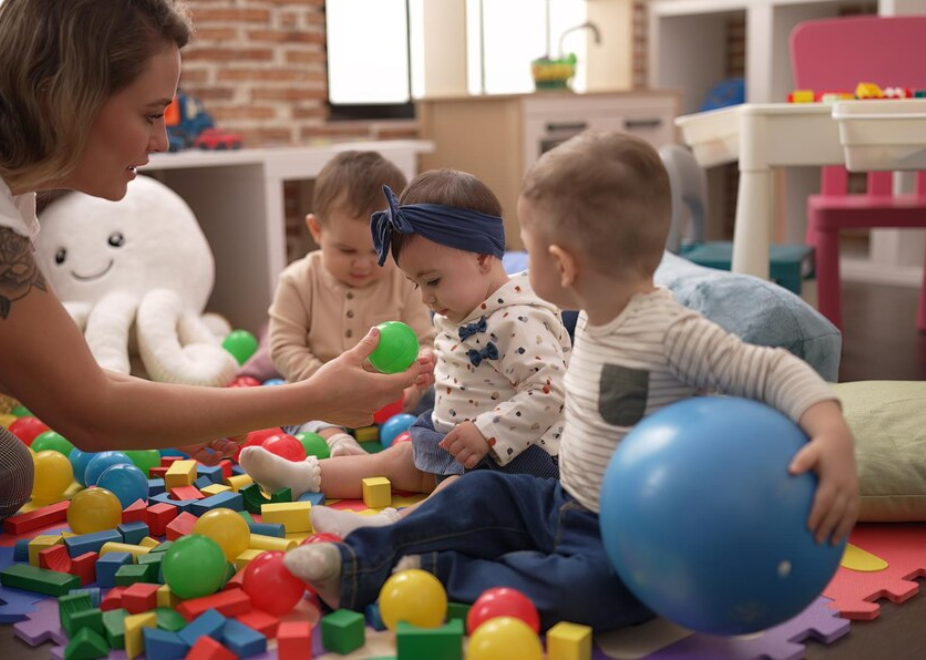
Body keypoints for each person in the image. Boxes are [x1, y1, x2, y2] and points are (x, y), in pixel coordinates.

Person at [0, 0, 429, 625]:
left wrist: (194, 416)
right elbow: (87, 412)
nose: (163, 138)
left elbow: (5, 364)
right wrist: (304, 397)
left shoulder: (6, 181)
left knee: (3, 476)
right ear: (65, 95)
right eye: (151, 114)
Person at [279, 132, 860, 632]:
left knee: (598, 594)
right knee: (475, 493)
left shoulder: (669, 330)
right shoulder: (589, 316)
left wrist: (830, 430)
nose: (513, 264)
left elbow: (771, 367)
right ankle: (359, 557)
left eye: (525, 250)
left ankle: (428, 577)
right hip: (560, 499)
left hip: (628, 533)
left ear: (563, 263)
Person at [239, 169, 570, 537]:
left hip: (516, 457)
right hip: (456, 442)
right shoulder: (465, 304)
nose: (425, 298)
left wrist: (487, 432)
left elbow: (550, 392)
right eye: (416, 283)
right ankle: (303, 476)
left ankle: (386, 528)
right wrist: (431, 365)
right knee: (397, 458)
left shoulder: (519, 319)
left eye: (432, 281)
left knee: (461, 492)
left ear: (482, 258)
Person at [268, 150, 434, 457]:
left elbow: (425, 340)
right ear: (316, 231)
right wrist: (323, 386)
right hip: (321, 395)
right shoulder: (298, 280)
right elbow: (284, 347)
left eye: (376, 251)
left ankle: (416, 448)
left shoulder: (404, 280)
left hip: (390, 399)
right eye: (346, 250)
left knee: (441, 399)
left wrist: (417, 379)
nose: (362, 264)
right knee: (289, 407)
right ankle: (338, 442)